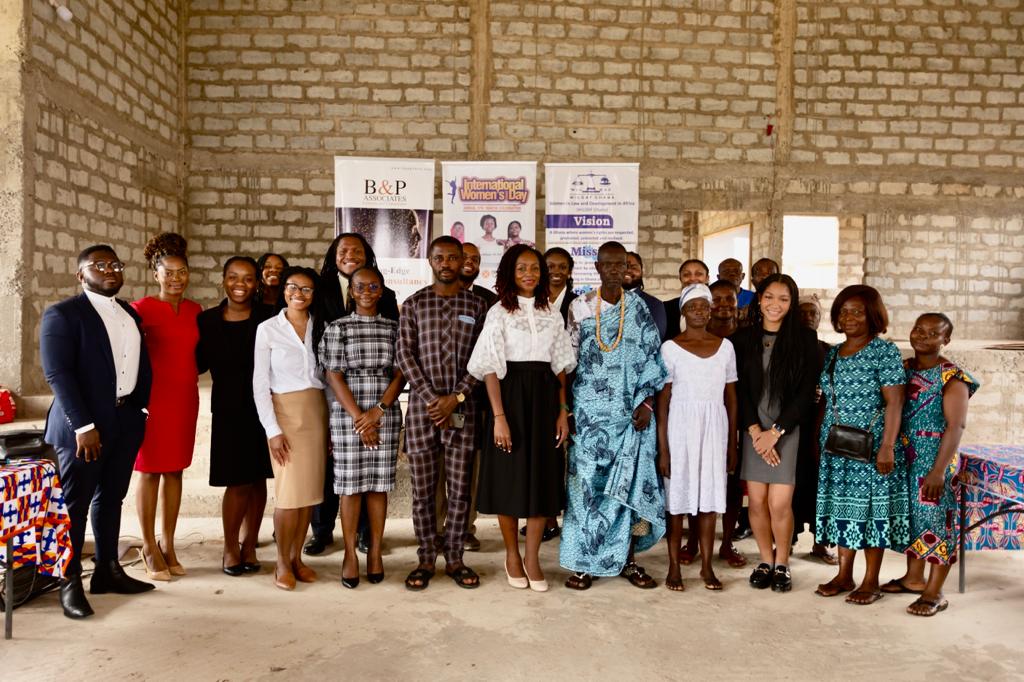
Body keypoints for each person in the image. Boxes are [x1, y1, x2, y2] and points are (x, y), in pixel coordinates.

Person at [41, 245, 155, 619]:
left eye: (116, 264)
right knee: (73, 506)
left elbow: (139, 365)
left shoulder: (127, 313)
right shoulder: (63, 314)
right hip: (83, 428)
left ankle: (107, 570)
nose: (110, 270)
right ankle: (68, 580)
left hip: (125, 421)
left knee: (110, 499)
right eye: (100, 265)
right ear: (81, 275)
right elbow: (59, 374)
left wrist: (140, 409)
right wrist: (84, 425)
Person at [560, 241, 668, 591]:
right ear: (597, 267)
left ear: (626, 268)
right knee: (587, 489)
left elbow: (653, 360)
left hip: (629, 416)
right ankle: (584, 563)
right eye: (605, 264)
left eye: (618, 264)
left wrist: (647, 403)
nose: (612, 270)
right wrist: (567, 409)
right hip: (589, 416)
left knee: (628, 489)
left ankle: (628, 561)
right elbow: (567, 362)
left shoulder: (638, 310)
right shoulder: (580, 307)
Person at [468, 245, 575, 592]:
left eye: (534, 268)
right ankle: (512, 554)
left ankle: (533, 558)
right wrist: (498, 417)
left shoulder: (552, 313)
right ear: (509, 274)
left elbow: (560, 368)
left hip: (545, 401)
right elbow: (488, 369)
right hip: (510, 398)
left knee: (542, 479)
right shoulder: (498, 313)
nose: (529, 273)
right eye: (521, 268)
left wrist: (562, 412)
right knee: (510, 479)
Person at [396, 236, 486, 590]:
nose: (446, 263)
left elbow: (483, 359)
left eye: (453, 257)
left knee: (460, 490)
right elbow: (405, 356)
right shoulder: (414, 304)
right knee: (423, 491)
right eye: (439, 257)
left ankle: (455, 559)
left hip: (464, 410)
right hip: (422, 412)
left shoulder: (477, 306)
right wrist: (435, 399)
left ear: (463, 260)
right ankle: (424, 559)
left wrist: (457, 397)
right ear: (430, 261)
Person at [305, 233, 399, 557]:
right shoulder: (321, 292)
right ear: (334, 256)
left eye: (357, 250)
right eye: (343, 250)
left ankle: (366, 536)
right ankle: (321, 530)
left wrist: (377, 411)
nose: (350, 255)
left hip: (377, 400)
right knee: (333, 465)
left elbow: (398, 363)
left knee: (372, 474)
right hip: (334, 390)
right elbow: (325, 357)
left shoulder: (387, 299)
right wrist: (358, 415)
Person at [814, 284, 907, 605]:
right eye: (843, 311)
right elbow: (827, 400)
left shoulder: (884, 352)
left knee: (869, 512)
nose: (849, 317)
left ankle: (871, 581)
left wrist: (888, 447)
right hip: (837, 446)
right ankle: (843, 574)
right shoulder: (834, 353)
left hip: (872, 447)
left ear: (873, 315)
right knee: (842, 509)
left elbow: (895, 403)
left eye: (857, 311)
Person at [881, 313, 979, 617]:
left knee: (936, 521)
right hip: (907, 455)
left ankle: (935, 592)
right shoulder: (904, 369)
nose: (923, 337)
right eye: (918, 330)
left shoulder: (952, 376)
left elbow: (956, 426)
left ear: (945, 340)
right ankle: (913, 579)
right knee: (914, 518)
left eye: (933, 333)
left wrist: (938, 471)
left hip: (935, 460)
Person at [319, 266, 406, 588]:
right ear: (351, 292)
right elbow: (334, 375)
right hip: (348, 414)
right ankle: (350, 554)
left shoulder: (394, 328)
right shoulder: (338, 328)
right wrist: (360, 416)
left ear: (381, 291)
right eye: (360, 287)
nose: (367, 291)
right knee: (350, 486)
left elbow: (401, 373)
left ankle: (375, 552)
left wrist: (378, 411)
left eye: (373, 286)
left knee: (378, 485)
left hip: (384, 411)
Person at [733, 274, 819, 592]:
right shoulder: (742, 340)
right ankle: (765, 560)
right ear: (759, 299)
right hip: (754, 429)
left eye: (783, 299)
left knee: (779, 503)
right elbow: (738, 390)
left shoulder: (805, 339)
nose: (775, 304)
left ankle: (783, 563)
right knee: (756, 502)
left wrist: (776, 432)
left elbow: (806, 392)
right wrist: (757, 432)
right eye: (769, 297)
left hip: (787, 430)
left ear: (792, 303)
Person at [196, 256, 274, 576]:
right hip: (229, 407)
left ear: (257, 283)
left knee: (258, 479)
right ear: (223, 280)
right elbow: (197, 363)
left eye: (247, 278)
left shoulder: (269, 317)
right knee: (237, 481)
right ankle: (230, 546)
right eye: (233, 277)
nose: (240, 284)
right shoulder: (208, 320)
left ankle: (251, 543)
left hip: (266, 407)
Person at [657, 284, 738, 591]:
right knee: (676, 501)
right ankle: (674, 567)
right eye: (693, 307)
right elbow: (663, 402)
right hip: (680, 429)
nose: (700, 312)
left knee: (709, 501)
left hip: (714, 429)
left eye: (705, 307)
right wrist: (663, 449)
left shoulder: (725, 348)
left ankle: (706, 567)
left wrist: (732, 443)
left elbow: (731, 398)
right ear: (683, 312)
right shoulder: (670, 348)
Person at [131, 232, 201, 580]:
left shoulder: (194, 310)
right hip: (152, 401)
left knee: (175, 470)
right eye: (168, 273)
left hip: (185, 398)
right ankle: (147, 545)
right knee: (148, 471)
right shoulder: (141, 310)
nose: (176, 279)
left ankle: (168, 542)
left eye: (182, 272)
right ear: (155, 274)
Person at [253, 267, 328, 591]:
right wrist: (272, 429)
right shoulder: (268, 329)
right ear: (283, 290)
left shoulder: (320, 326)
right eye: (292, 287)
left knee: (309, 496)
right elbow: (259, 384)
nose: (298, 294)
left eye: (307, 289)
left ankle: (298, 558)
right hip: (285, 413)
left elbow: (325, 378)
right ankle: (282, 562)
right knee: (288, 496)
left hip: (316, 412)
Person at [678, 278, 748, 568]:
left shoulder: (743, 339)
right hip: (699, 420)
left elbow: (737, 388)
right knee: (697, 479)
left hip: (737, 418)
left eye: (728, 299)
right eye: (715, 299)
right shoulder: (684, 342)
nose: (721, 305)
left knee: (730, 484)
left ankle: (727, 542)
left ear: (738, 303)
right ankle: (693, 541)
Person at [438, 240, 497, 552]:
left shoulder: (489, 301)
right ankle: (435, 528)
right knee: (437, 468)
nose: (469, 262)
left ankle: (464, 527)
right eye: (465, 257)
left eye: (475, 258)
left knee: (468, 469)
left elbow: (490, 352)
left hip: (474, 398)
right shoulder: (430, 297)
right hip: (435, 399)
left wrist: (462, 393)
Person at [794, 295, 838, 564]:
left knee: (821, 486)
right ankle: (788, 538)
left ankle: (821, 543)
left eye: (814, 313)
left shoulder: (828, 350)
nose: (809, 317)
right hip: (792, 425)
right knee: (792, 485)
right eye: (804, 312)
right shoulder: (787, 348)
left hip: (821, 425)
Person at [624, 251, 668, 340]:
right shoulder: (602, 301)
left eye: (633, 267)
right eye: (623, 266)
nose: (628, 270)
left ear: (641, 271)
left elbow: (655, 340)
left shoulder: (654, 304)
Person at [664, 258, 710, 339]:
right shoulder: (666, 308)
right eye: (686, 275)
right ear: (680, 279)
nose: (692, 278)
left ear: (707, 278)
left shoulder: (716, 307)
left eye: (699, 274)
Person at [459, 242, 498, 308]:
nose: (469, 261)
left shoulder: (491, 300)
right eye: (463, 257)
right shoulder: (439, 295)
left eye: (474, 259)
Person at [545, 247, 578, 324]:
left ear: (569, 272)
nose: (556, 271)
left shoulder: (577, 302)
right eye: (550, 267)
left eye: (562, 267)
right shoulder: (533, 299)